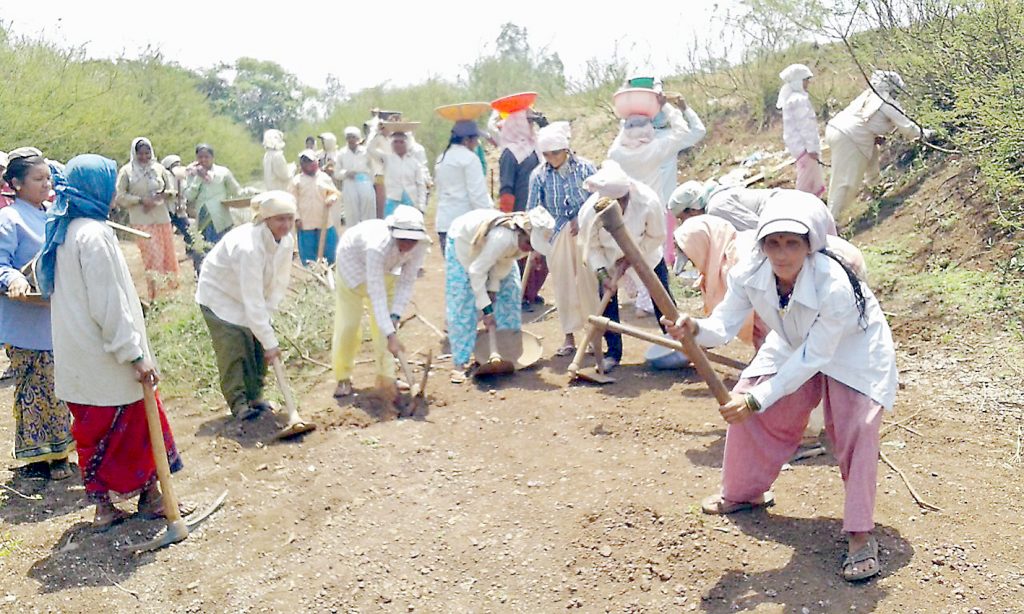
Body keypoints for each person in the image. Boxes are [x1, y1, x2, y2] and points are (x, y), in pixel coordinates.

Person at [663, 190, 897, 582]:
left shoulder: (834, 284)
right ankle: (745, 492)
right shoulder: (748, 272)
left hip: (854, 350)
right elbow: (721, 326)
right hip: (791, 342)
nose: (782, 254)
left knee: (856, 427)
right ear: (762, 245)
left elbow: (815, 358)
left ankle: (860, 533)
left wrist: (756, 399)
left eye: (792, 243)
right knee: (752, 401)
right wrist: (693, 328)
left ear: (809, 246)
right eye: (773, 243)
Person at [41, 154, 184, 530]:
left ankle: (104, 507)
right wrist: (134, 354)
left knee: (93, 436)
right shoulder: (94, 235)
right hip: (109, 360)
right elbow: (109, 306)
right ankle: (153, 498)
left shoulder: (62, 232)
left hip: (77, 360)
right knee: (137, 428)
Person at [0, 148, 75, 480]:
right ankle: (35, 460)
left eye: (48, 178)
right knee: (32, 387)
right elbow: (1, 264)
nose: (46, 184)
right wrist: (14, 277)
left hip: (54, 314)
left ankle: (60, 452)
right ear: (16, 183)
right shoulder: (9, 219)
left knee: (59, 385)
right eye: (38, 179)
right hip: (24, 319)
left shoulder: (52, 214)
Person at [195, 191, 296, 420]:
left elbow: (279, 283)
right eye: (280, 219)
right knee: (235, 348)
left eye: (289, 218)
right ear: (266, 219)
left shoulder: (286, 241)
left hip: (249, 297)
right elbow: (251, 298)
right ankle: (239, 403)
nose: (286, 224)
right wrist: (270, 341)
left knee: (258, 348)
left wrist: (267, 325)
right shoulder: (248, 247)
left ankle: (255, 397)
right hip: (220, 296)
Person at [578, 160, 671, 373]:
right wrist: (604, 276)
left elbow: (657, 235)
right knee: (607, 301)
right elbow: (592, 247)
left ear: (627, 195)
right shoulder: (589, 212)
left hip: (645, 254)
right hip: (609, 259)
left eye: (620, 202)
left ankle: (677, 345)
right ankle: (613, 353)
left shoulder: (648, 200)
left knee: (662, 299)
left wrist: (632, 256)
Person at [332, 206, 430, 399]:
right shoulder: (376, 246)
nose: (407, 245)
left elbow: (406, 282)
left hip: (385, 272)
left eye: (412, 240)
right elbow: (376, 295)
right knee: (349, 326)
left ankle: (387, 376)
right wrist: (391, 335)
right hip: (352, 267)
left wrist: (394, 318)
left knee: (385, 328)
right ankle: (343, 377)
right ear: (393, 233)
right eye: (403, 239)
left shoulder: (420, 246)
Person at [526, 121, 597, 355]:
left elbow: (598, 199)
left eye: (555, 153)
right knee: (563, 284)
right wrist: (536, 242)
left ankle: (593, 334)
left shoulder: (586, 168)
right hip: (555, 232)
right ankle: (569, 336)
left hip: (586, 231)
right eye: (547, 154)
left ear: (566, 150)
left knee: (589, 282)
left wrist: (581, 216)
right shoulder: (538, 175)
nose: (552, 158)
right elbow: (534, 210)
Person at [825, 70, 935, 219]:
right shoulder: (886, 102)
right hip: (850, 137)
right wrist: (929, 134)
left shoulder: (867, 96)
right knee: (846, 181)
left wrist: (872, 135)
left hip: (836, 129)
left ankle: (875, 188)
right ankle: (830, 221)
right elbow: (909, 128)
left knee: (872, 154)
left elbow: (864, 121)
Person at [444, 208, 535, 383]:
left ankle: (504, 352)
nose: (529, 249)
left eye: (533, 246)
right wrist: (486, 309)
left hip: (490, 252)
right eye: (528, 243)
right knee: (463, 300)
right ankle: (460, 363)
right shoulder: (502, 238)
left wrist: (493, 290)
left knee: (510, 291)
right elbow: (476, 271)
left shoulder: (524, 244)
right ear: (521, 233)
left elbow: (502, 261)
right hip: (464, 245)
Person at [673, 215, 767, 349]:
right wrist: (695, 328)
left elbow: (757, 322)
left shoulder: (738, 260)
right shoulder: (718, 264)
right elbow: (725, 321)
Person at [115, 137, 180, 302]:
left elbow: (172, 190)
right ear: (135, 153)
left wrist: (163, 196)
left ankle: (170, 295)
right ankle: (156, 297)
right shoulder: (127, 171)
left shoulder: (158, 169)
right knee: (152, 258)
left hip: (161, 218)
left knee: (167, 257)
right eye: (140, 153)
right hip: (141, 220)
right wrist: (141, 200)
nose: (144, 156)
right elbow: (120, 196)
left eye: (147, 152)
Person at [496, 108, 547, 307]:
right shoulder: (509, 153)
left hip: (538, 209)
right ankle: (519, 295)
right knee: (520, 255)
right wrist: (507, 217)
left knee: (539, 254)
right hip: (518, 211)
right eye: (528, 122)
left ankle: (531, 292)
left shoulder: (535, 148)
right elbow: (506, 186)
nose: (531, 126)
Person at [434, 120, 494, 252]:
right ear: (467, 140)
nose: (477, 143)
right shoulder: (470, 159)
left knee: (453, 270)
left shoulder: (441, 158)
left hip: (444, 223)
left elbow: (439, 191)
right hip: (466, 226)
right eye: (476, 139)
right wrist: (488, 221)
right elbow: (477, 196)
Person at [778, 64, 826, 197]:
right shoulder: (798, 100)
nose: (808, 83)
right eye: (806, 80)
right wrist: (812, 149)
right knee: (806, 184)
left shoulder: (792, 98)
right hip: (804, 149)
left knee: (810, 180)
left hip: (799, 148)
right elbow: (805, 126)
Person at [183, 143, 242, 249]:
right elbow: (189, 196)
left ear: (213, 157)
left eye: (206, 157)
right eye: (200, 157)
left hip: (221, 217)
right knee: (205, 249)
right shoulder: (192, 173)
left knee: (224, 248)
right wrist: (199, 178)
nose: (203, 160)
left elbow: (236, 190)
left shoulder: (223, 172)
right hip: (203, 218)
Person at [669, 181, 779, 232]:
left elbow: (759, 231)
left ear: (692, 210)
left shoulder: (716, 207)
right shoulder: (716, 200)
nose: (683, 223)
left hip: (782, 212)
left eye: (682, 218)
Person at [369, 128, 428, 216]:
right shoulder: (387, 159)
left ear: (407, 144)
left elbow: (420, 185)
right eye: (395, 142)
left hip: (411, 201)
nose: (398, 145)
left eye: (401, 142)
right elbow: (370, 149)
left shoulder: (414, 163)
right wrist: (378, 134)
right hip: (392, 200)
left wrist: (421, 206)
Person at [161, 154, 200, 275]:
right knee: (166, 234)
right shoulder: (165, 177)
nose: (177, 166)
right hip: (167, 209)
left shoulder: (182, 177)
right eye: (174, 164)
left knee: (187, 230)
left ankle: (191, 251)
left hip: (179, 209)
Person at [337, 126, 376, 227]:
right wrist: (346, 173)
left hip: (365, 183)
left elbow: (372, 169)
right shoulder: (341, 153)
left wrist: (370, 182)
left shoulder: (366, 152)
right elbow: (337, 173)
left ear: (358, 138)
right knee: (351, 213)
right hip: (349, 184)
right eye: (349, 137)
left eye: (353, 137)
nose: (351, 140)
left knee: (367, 211)